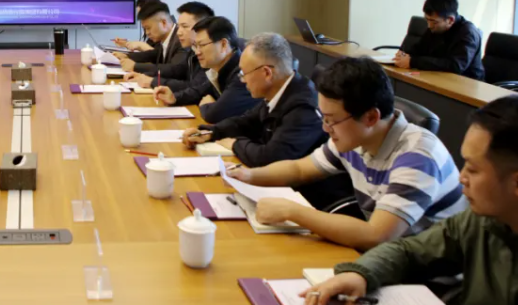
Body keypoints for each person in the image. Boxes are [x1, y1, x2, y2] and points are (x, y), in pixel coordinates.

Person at [303, 96, 518, 305]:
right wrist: (361, 274)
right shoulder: (483, 218)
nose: (461, 177)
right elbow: (409, 251)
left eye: (473, 169)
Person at [228, 57, 468, 250]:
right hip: (391, 258)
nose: (325, 128)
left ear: (371, 117)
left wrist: (292, 212)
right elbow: (299, 169)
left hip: (430, 280)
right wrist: (248, 176)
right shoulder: (355, 138)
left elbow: (376, 235)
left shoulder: (418, 156)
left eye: (331, 120)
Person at [184, 33, 352, 209]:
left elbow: (271, 158)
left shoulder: (303, 107)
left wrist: (235, 144)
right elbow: (246, 121)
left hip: (313, 202)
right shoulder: (280, 92)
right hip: (284, 192)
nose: (242, 80)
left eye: (244, 73)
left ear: (266, 73)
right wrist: (211, 132)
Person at [153, 16, 258, 124]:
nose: (197, 52)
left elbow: (214, 115)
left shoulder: (242, 74)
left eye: (202, 45)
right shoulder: (218, 68)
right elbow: (198, 91)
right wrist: (174, 97)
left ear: (223, 44)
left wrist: (206, 105)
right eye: (196, 46)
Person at [395, 0, 484, 80]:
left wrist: (413, 62)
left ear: (450, 20)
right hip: (439, 77)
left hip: (467, 82)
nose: (429, 25)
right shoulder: (434, 27)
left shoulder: (468, 33)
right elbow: (420, 48)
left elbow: (455, 66)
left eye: (433, 21)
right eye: (427, 20)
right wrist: (404, 54)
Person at [124, 1, 213, 89]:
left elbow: (176, 70)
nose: (179, 32)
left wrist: (151, 80)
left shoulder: (185, 45)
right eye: (179, 26)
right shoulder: (190, 48)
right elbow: (153, 54)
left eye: (185, 26)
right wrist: (144, 75)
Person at [115, 1, 187, 74]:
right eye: (145, 29)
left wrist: (135, 66)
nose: (147, 33)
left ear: (163, 23)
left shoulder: (181, 39)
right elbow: (154, 54)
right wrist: (127, 56)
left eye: (148, 28)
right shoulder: (165, 38)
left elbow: (174, 69)